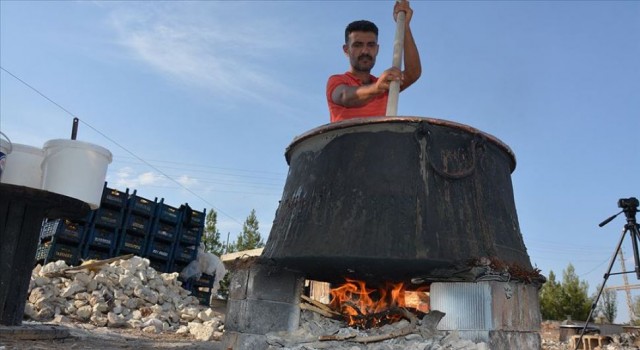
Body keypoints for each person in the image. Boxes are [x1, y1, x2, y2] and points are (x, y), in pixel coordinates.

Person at [326, 1, 421, 123]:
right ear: (346, 50)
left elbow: (413, 73)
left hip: (380, 142)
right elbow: (344, 96)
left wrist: (405, 26)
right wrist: (376, 88)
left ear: (377, 49)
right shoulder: (337, 81)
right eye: (358, 45)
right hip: (346, 142)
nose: (365, 51)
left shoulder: (386, 85)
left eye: (370, 45)